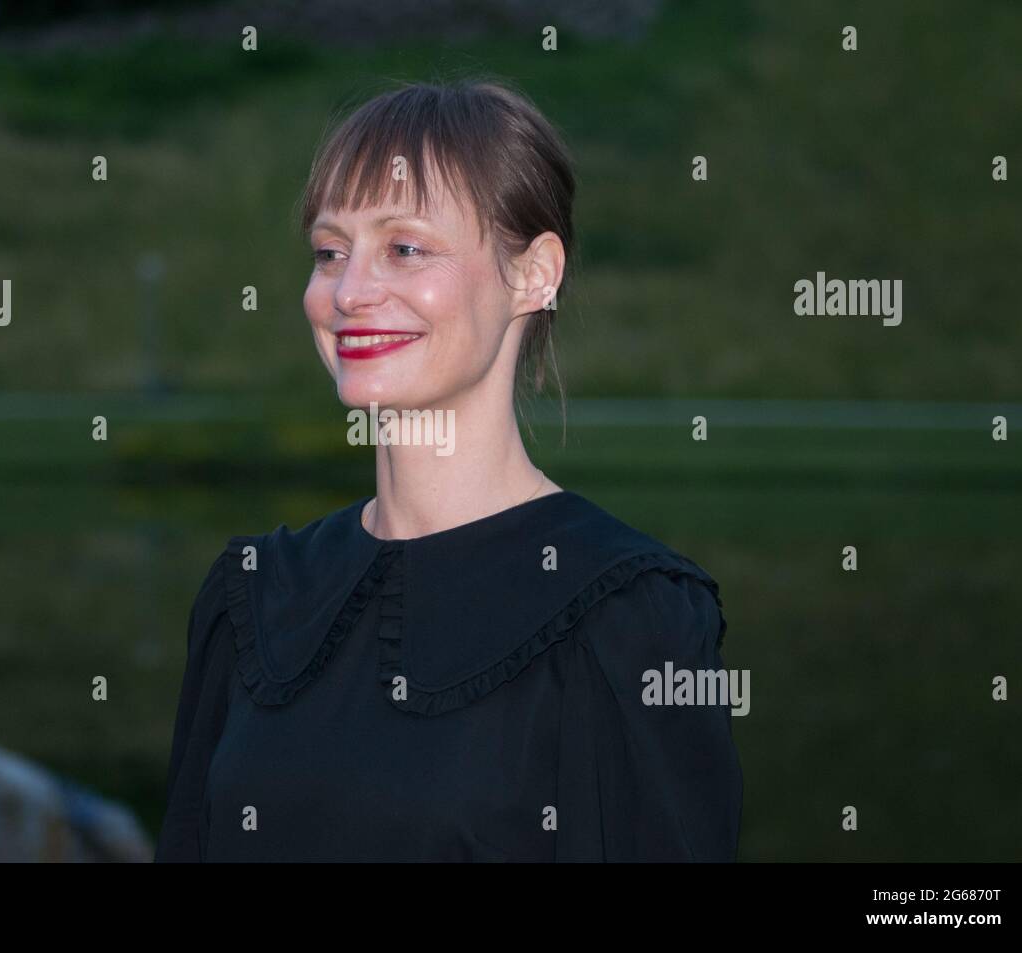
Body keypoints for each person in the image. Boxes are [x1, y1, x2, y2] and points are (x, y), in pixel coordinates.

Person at [155, 78, 742, 861]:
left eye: (405, 248)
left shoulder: (628, 617)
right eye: (331, 252)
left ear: (534, 273)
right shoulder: (252, 595)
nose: (351, 291)